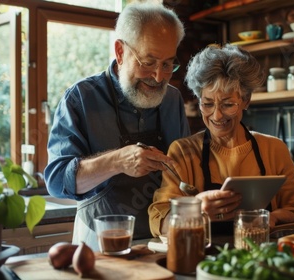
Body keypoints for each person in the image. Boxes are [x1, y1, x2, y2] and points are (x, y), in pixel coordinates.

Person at [44, 2, 191, 251]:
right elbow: (58, 182)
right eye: (148, 62)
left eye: (167, 64)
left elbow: (186, 169)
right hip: (99, 243)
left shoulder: (173, 99)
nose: (158, 77)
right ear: (121, 52)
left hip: (162, 241)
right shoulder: (80, 98)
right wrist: (118, 161)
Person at [148, 44, 294, 237]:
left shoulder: (274, 149)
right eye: (207, 104)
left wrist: (273, 218)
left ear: (246, 100)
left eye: (228, 104)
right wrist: (196, 212)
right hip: (205, 262)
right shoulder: (183, 151)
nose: (217, 116)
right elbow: (157, 221)